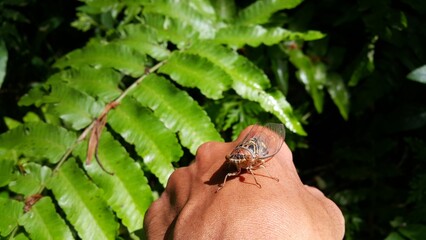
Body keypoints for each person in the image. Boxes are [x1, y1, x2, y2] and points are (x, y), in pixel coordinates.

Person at [144, 125, 345, 239]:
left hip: (257, 153)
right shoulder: (233, 162)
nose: (235, 162)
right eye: (234, 159)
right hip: (247, 149)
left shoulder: (250, 163)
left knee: (263, 163)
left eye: (237, 160)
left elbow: (260, 163)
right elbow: (230, 169)